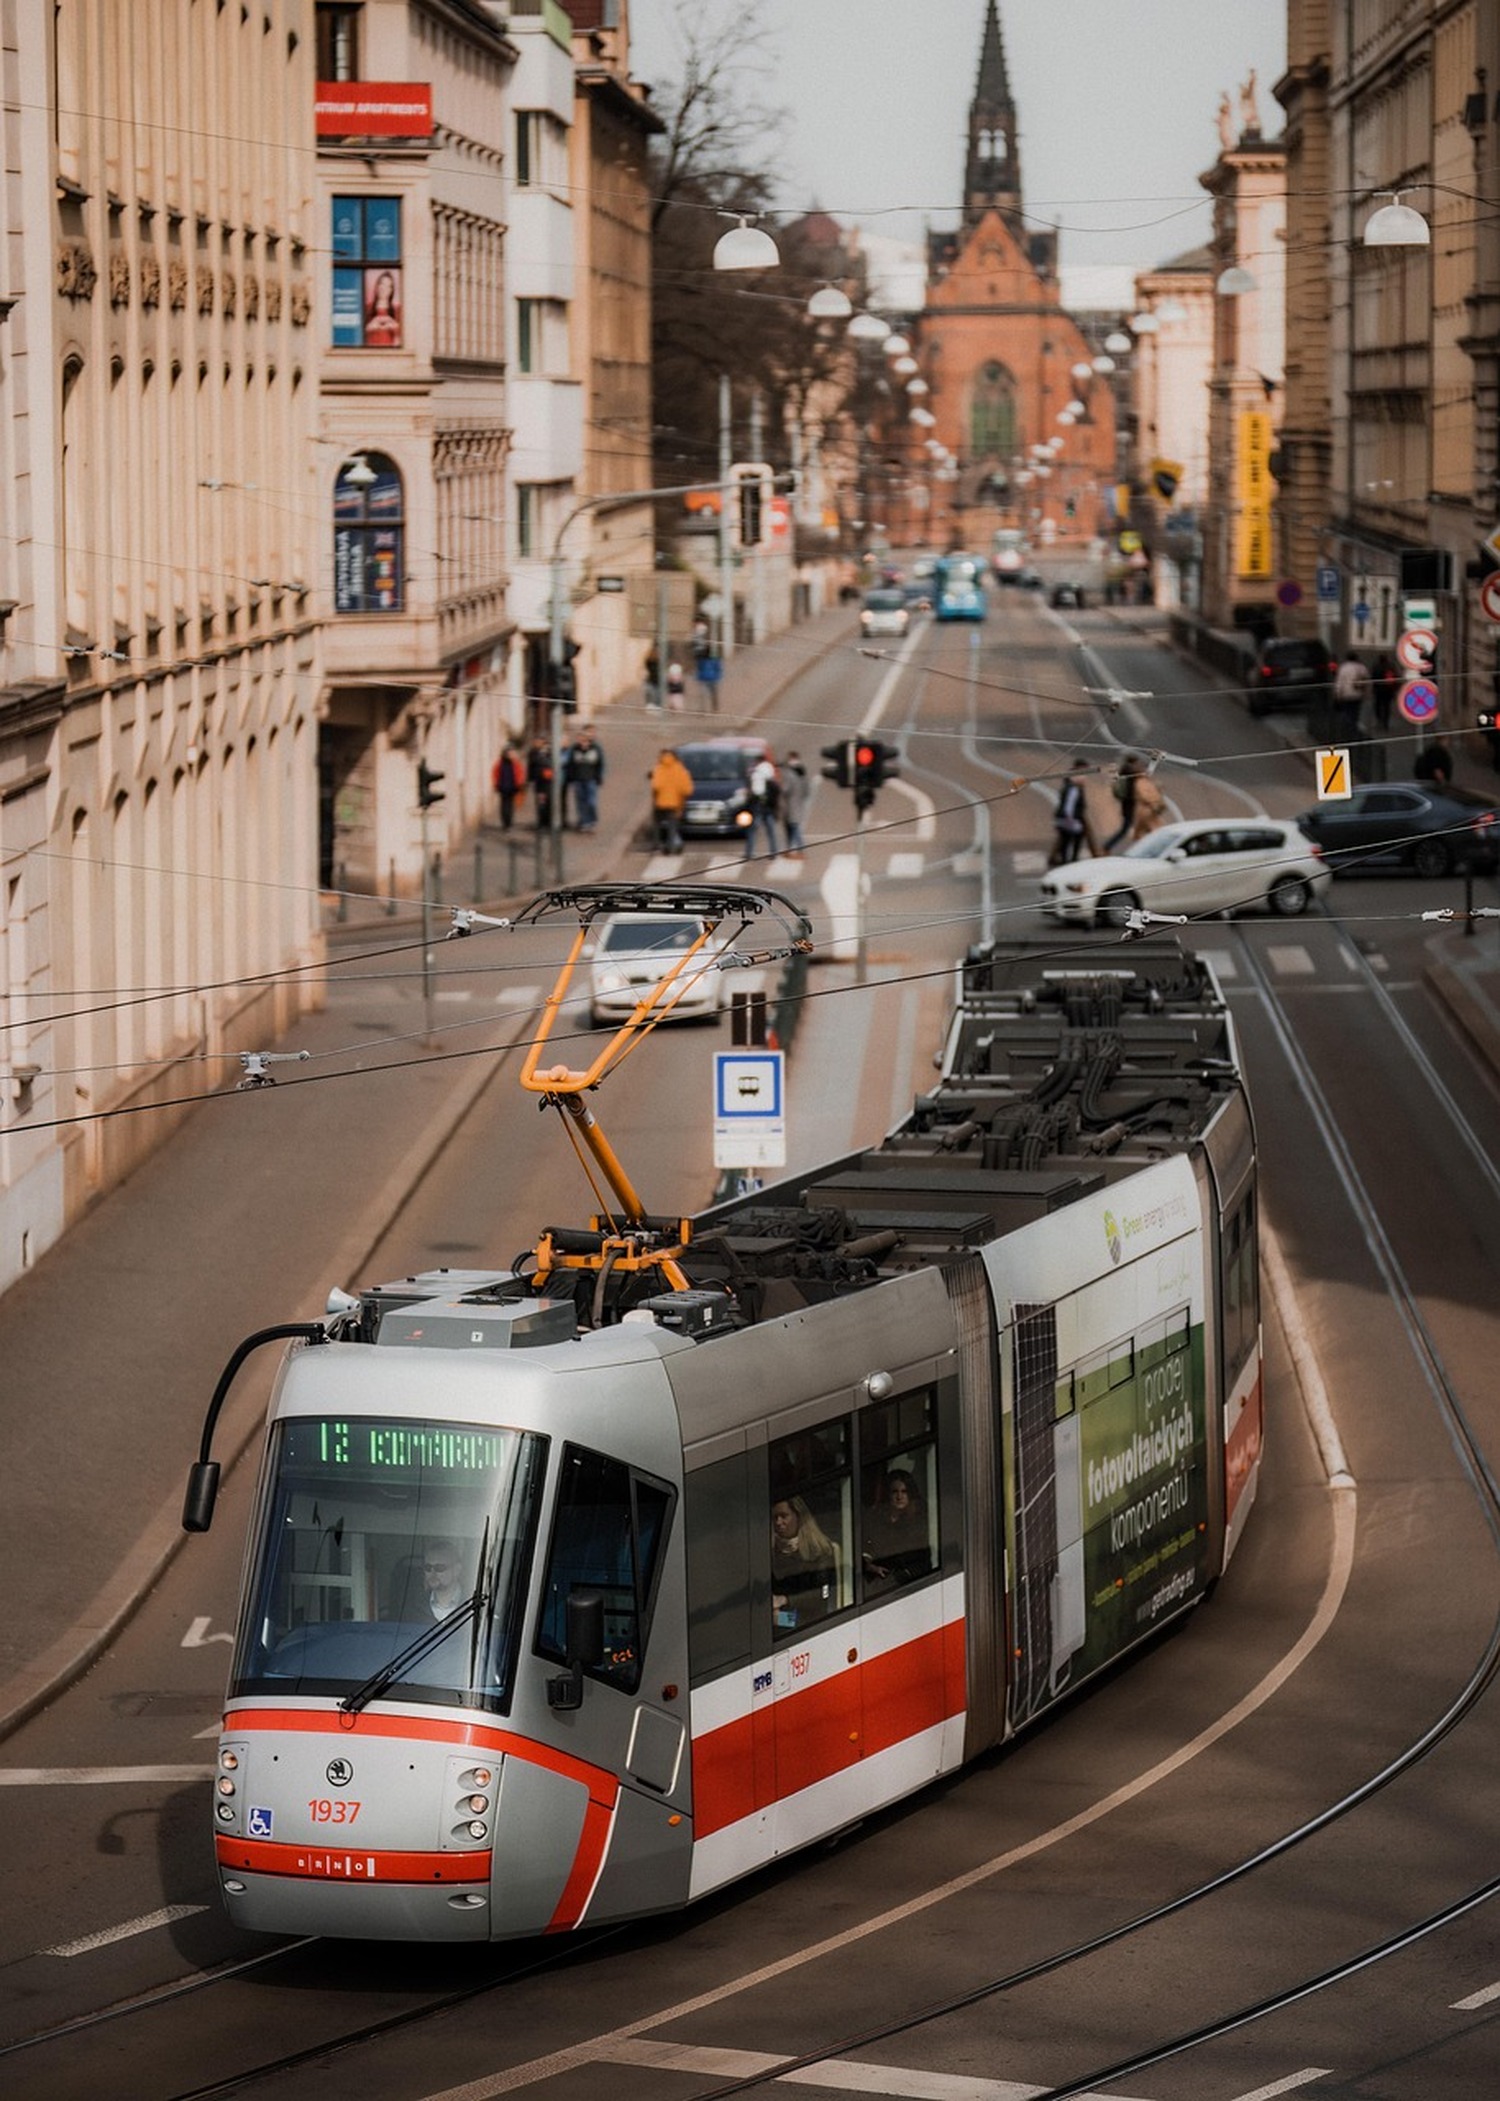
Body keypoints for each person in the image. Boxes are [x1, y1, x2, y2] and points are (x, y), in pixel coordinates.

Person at [770, 1496, 838, 1631]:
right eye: (775, 1517)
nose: (778, 1522)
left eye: (784, 1516)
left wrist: (785, 1599)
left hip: (809, 1621)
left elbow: (822, 1595)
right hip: (773, 1620)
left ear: (799, 1516)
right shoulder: (770, 1551)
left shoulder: (820, 1550)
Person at [862, 1469, 930, 1590]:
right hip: (876, 1578)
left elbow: (920, 1558)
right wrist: (868, 1566)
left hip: (907, 1580)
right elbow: (865, 1545)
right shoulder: (875, 1517)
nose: (899, 1497)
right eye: (895, 1492)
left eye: (904, 1492)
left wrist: (900, 1575)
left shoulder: (918, 1521)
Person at [648, 746, 694, 853]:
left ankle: (656, 845)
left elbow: (656, 786)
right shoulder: (681, 770)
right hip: (675, 803)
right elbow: (687, 790)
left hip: (660, 802)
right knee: (672, 826)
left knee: (657, 824)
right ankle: (671, 847)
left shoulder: (659, 768)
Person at [1048, 759, 1091, 867]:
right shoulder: (1074, 788)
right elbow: (1069, 807)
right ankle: (1071, 861)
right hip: (1069, 820)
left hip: (1064, 819)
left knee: (1065, 840)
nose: (1085, 778)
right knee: (1072, 839)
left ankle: (1063, 860)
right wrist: (1071, 821)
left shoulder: (1069, 785)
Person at [564, 724, 605, 832]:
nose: (582, 741)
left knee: (591, 802)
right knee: (581, 802)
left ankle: (592, 821)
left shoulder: (595, 749)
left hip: (590, 780)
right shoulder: (574, 749)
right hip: (578, 780)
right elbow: (570, 764)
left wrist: (599, 777)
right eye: (580, 739)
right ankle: (583, 822)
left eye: (584, 740)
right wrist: (571, 777)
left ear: (588, 740)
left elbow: (600, 764)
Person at [1103, 752, 1143, 852]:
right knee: (1126, 828)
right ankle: (1107, 845)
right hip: (1128, 803)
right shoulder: (1129, 770)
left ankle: (1108, 845)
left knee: (1129, 827)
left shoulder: (1125, 770)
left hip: (1127, 802)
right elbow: (1140, 773)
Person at [744, 751, 781, 859]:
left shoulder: (756, 772)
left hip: (758, 804)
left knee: (752, 829)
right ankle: (774, 852)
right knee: (771, 830)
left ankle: (749, 852)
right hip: (769, 805)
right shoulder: (769, 769)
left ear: (757, 761)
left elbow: (755, 790)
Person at [422, 1540, 466, 1619]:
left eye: (439, 1568)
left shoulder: (473, 1603)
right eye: (428, 1568)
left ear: (457, 1570)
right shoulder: (413, 1605)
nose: (432, 1573)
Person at [780, 750, 811, 856]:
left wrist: (780, 789)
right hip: (799, 802)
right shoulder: (802, 772)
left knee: (793, 826)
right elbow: (807, 791)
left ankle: (800, 849)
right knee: (791, 826)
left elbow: (786, 789)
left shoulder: (790, 774)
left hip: (790, 804)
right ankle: (789, 849)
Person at [1333, 649, 1369, 735]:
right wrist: (1366, 693)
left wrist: (1337, 694)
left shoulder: (1343, 668)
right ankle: (1354, 727)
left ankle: (1348, 729)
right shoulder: (1361, 667)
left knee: (1347, 712)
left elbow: (1339, 682)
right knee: (1355, 712)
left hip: (1346, 694)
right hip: (1358, 694)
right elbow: (1366, 681)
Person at [364, 269, 401, 348]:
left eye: (388, 286)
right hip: (370, 350)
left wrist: (393, 325)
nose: (384, 288)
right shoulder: (367, 308)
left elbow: (405, 335)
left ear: (391, 290)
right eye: (382, 284)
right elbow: (357, 333)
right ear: (377, 286)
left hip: (390, 351)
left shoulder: (397, 310)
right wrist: (371, 326)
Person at [492, 742, 525, 830]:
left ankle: (509, 822)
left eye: (512, 752)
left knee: (510, 805)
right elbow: (495, 774)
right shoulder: (500, 763)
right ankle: (505, 823)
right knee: (504, 805)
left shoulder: (516, 763)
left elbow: (520, 773)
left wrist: (520, 784)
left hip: (512, 786)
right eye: (509, 752)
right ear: (505, 753)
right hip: (502, 787)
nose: (511, 754)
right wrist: (496, 784)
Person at [1128, 767, 1166, 843]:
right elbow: (1145, 796)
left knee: (1141, 831)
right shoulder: (1141, 783)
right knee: (1157, 830)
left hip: (1148, 810)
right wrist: (1154, 803)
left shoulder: (1144, 782)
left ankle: (1143, 844)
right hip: (1147, 810)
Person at [527, 738, 555, 831]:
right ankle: (541, 823)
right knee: (541, 803)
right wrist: (530, 780)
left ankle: (548, 822)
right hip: (540, 783)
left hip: (549, 782)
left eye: (541, 742)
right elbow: (531, 765)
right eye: (537, 742)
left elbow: (551, 763)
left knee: (549, 802)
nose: (539, 744)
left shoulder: (549, 753)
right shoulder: (533, 753)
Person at [643, 646, 662, 711]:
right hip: (653, 679)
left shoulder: (657, 661)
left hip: (655, 679)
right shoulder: (651, 661)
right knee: (652, 693)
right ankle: (654, 705)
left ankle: (655, 705)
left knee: (655, 693)